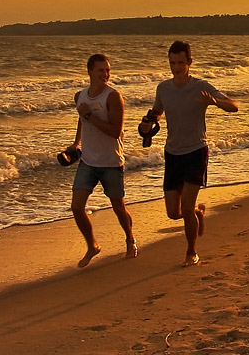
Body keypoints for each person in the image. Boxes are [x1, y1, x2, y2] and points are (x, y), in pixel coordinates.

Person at [140, 41, 239, 266]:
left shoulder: (201, 86)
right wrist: (148, 123)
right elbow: (157, 111)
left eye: (180, 63)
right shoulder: (163, 88)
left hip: (196, 151)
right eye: (172, 63)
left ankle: (191, 252)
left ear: (189, 63)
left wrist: (214, 102)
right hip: (172, 153)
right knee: (173, 213)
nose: (176, 67)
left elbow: (233, 106)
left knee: (185, 208)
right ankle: (198, 213)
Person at [70, 54, 136, 267]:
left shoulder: (113, 97)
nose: (106, 75)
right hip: (88, 161)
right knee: (77, 207)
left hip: (111, 162)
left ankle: (130, 239)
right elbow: (82, 121)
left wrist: (90, 116)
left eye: (107, 70)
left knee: (118, 206)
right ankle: (92, 245)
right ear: (90, 71)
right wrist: (76, 143)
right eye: (101, 70)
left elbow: (115, 131)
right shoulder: (79, 96)